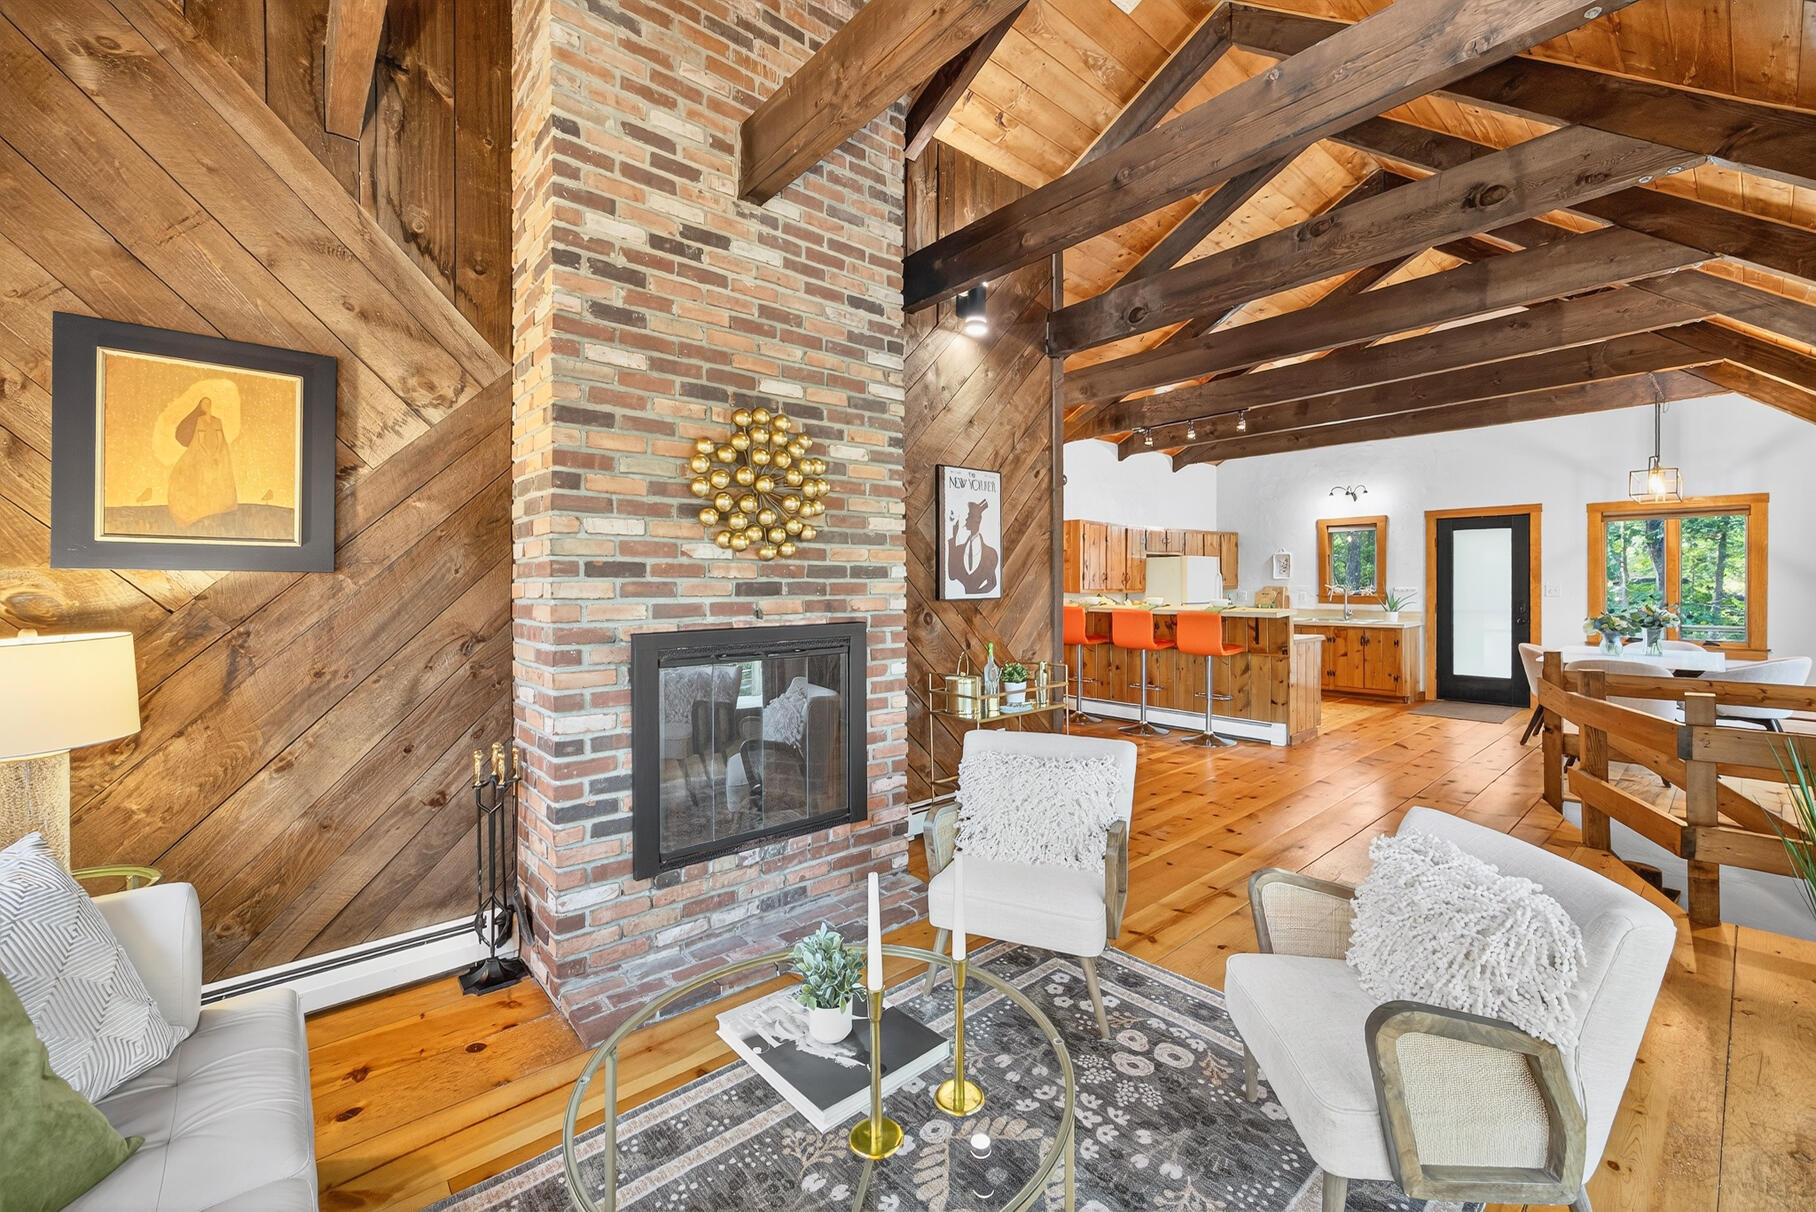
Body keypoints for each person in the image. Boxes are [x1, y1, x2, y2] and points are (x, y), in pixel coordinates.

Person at [166, 396, 238, 526]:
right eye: (204, 404)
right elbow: (200, 439)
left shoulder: (217, 421)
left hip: (218, 454)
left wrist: (217, 453)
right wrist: (208, 455)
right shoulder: (200, 421)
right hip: (203, 454)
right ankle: (200, 510)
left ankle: (217, 508)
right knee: (202, 480)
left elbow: (220, 438)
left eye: (209, 404)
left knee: (217, 480)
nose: (207, 406)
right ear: (201, 406)